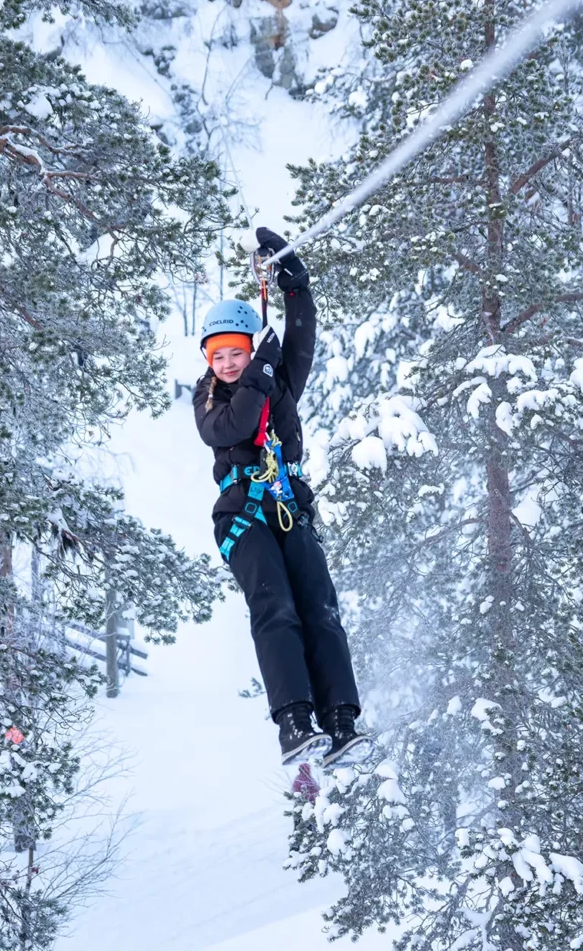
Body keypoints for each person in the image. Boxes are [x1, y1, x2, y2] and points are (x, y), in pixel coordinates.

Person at [193, 226, 370, 768]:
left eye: (236, 352)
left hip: (289, 503)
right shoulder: (208, 398)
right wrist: (259, 371)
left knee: (319, 608)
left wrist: (295, 284)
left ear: (250, 347)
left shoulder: (278, 378)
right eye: (217, 354)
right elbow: (234, 427)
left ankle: (340, 720)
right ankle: (294, 721)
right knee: (276, 609)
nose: (225, 362)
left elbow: (302, 336)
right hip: (243, 516)